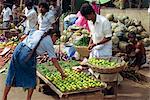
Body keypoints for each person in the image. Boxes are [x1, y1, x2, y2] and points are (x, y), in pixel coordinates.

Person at [2, 29, 67, 100]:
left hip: (19, 48)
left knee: (12, 72)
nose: (55, 41)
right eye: (56, 39)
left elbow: (23, 37)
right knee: (32, 78)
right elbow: (54, 60)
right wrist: (62, 73)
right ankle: (28, 99)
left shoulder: (40, 32)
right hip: (27, 55)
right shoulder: (48, 42)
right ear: (53, 35)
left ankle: (4, 97)